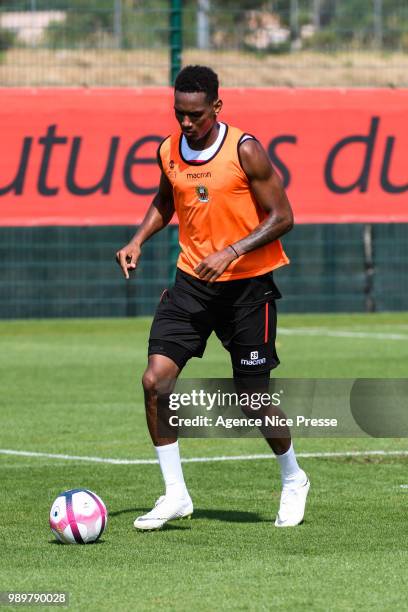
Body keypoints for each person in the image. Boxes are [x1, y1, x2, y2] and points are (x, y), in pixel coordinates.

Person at [116, 65, 310, 530]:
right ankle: (176, 495)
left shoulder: (245, 150)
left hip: (248, 286)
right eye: (179, 114)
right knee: (154, 381)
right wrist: (138, 239)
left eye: (196, 115)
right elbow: (168, 200)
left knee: (252, 398)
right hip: (192, 283)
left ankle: (293, 477)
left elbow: (283, 217)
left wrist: (233, 250)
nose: (186, 123)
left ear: (217, 107)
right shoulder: (168, 150)